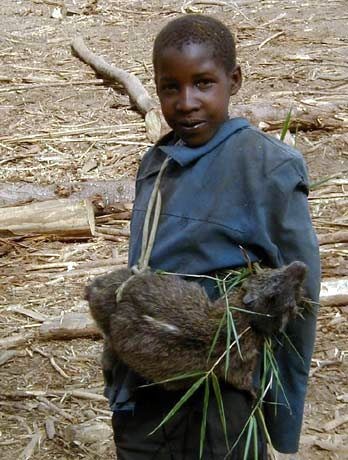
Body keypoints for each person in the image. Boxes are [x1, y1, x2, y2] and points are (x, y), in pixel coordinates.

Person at [105, 14, 321, 459]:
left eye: (203, 83)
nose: (186, 102)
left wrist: (283, 419)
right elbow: (139, 270)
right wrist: (118, 374)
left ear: (234, 80)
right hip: (147, 380)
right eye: (170, 87)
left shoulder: (266, 168)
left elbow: (301, 297)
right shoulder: (157, 163)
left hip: (221, 388)